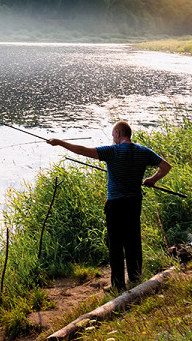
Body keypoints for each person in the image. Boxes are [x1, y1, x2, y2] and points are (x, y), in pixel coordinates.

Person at [46, 120, 171, 292]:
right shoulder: (144, 151)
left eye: (113, 135)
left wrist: (59, 142)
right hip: (134, 202)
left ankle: (118, 284)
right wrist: (152, 180)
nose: (113, 138)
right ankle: (135, 278)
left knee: (116, 244)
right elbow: (165, 167)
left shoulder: (112, 151)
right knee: (133, 240)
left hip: (115, 204)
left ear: (118, 134)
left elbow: (82, 150)